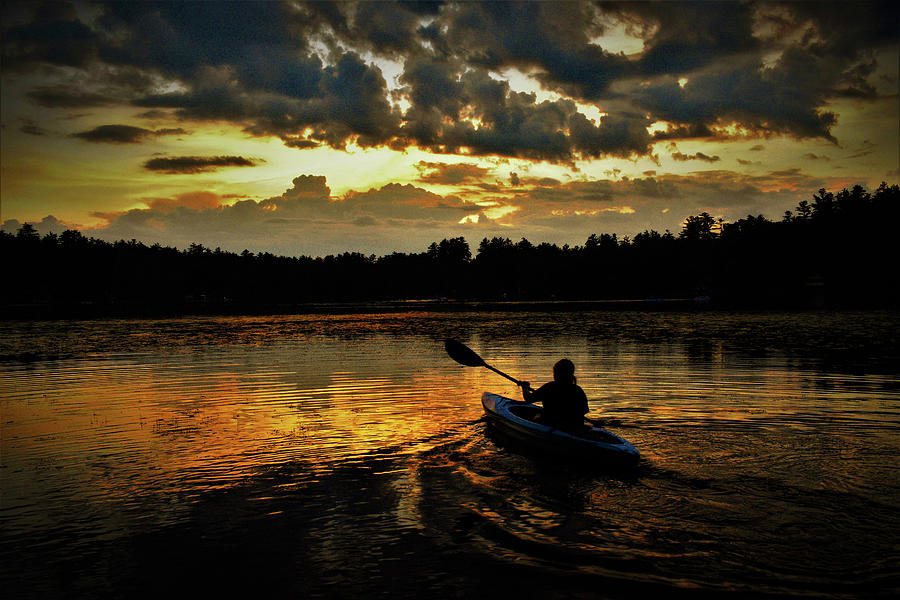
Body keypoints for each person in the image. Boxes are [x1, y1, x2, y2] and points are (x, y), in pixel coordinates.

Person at [521, 358, 589, 430]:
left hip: (551, 425)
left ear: (557, 374)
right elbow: (584, 411)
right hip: (575, 427)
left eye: (554, 372)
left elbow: (528, 398)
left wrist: (525, 388)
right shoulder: (578, 390)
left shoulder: (549, 387)